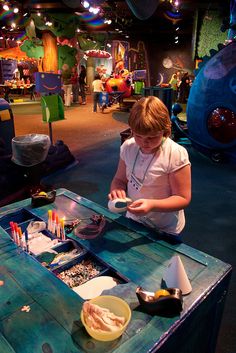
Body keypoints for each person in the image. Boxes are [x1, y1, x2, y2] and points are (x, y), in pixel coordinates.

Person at [108, 96, 191, 236]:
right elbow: (120, 179)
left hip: (165, 227)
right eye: (138, 136)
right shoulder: (128, 147)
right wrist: (116, 189)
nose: (144, 142)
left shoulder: (175, 154)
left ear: (165, 131)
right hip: (135, 220)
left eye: (152, 137)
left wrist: (152, 205)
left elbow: (182, 198)